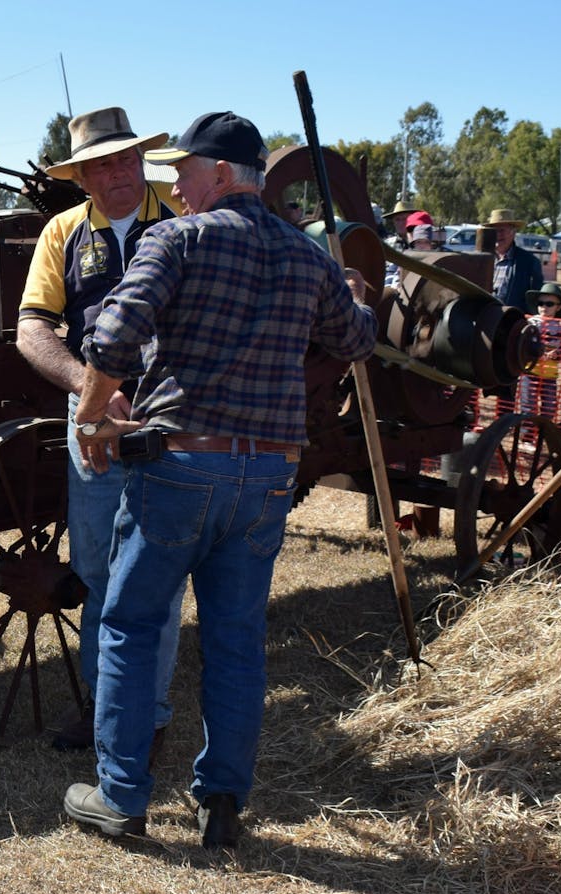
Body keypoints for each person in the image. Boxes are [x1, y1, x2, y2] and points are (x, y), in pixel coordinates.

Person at [60, 112, 377, 849]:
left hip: (180, 465)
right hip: (269, 471)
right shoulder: (307, 257)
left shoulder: (176, 237)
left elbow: (111, 335)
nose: (174, 183)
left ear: (224, 175)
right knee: (236, 640)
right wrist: (356, 290)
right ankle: (223, 805)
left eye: (185, 171)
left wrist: (89, 417)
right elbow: (357, 339)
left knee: (133, 625)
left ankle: (122, 798)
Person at [16, 106, 183, 754]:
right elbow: (32, 331)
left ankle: (151, 715)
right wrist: (90, 390)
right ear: (82, 177)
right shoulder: (62, 234)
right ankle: (106, 707)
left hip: (170, 413)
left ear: (141, 159)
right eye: (102, 165)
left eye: (126, 158)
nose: (118, 173)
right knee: (95, 567)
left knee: (156, 568)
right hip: (94, 422)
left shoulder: (180, 218)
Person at [518, 282, 561, 421]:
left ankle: (543, 435)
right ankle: (527, 438)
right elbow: (521, 346)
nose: (544, 307)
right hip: (530, 372)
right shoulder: (530, 323)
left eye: (549, 304)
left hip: (550, 376)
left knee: (549, 408)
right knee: (528, 406)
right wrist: (535, 352)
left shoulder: (559, 327)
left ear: (558, 307)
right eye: (541, 303)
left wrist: (557, 354)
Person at [486, 208, 544, 312]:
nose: (498, 235)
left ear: (513, 232)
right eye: (494, 231)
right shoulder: (484, 259)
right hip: (485, 318)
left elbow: (535, 299)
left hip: (513, 322)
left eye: (502, 230)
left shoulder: (529, 262)